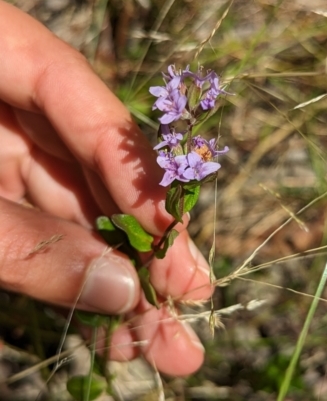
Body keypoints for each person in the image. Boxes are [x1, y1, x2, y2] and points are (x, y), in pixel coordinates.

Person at [0, 1, 212, 376]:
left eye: (174, 105)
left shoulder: (185, 163)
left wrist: (183, 169)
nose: (172, 107)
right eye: (172, 104)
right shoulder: (171, 158)